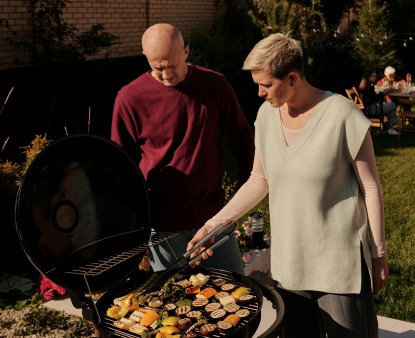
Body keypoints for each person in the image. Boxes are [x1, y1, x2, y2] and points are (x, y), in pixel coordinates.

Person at [188, 33, 389, 338]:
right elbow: (259, 180)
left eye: (266, 85)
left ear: (292, 78)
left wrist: (378, 255)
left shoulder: (342, 116)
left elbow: (371, 189)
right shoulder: (266, 116)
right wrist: (215, 224)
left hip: (338, 264)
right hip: (290, 263)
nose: (259, 93)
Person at [111, 23, 254, 275]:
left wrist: (246, 192)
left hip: (213, 218)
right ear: (145, 57)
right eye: (157, 67)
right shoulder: (129, 98)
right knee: (174, 302)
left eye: (172, 65)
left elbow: (241, 136)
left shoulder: (214, 85)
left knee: (236, 291)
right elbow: (120, 165)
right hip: (163, 226)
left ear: (186, 51)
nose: (166, 75)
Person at [358, 70, 399, 136]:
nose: (375, 78)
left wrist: (379, 93)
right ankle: (390, 127)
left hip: (367, 109)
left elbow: (373, 97)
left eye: (375, 76)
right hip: (373, 110)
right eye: (373, 76)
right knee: (393, 104)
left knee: (391, 110)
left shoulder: (364, 85)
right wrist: (382, 93)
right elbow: (375, 98)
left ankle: (390, 129)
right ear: (369, 77)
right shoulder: (370, 86)